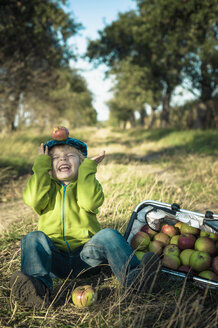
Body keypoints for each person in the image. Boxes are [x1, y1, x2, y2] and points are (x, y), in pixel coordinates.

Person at [10, 136, 161, 308]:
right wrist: (40, 166)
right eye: (55, 158)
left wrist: (87, 170)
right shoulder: (46, 188)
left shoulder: (87, 183)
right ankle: (37, 289)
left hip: (87, 258)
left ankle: (136, 279)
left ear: (81, 162)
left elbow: (89, 202)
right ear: (48, 166)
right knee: (32, 238)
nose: (63, 159)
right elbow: (32, 199)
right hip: (54, 261)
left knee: (108, 234)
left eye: (69, 155)